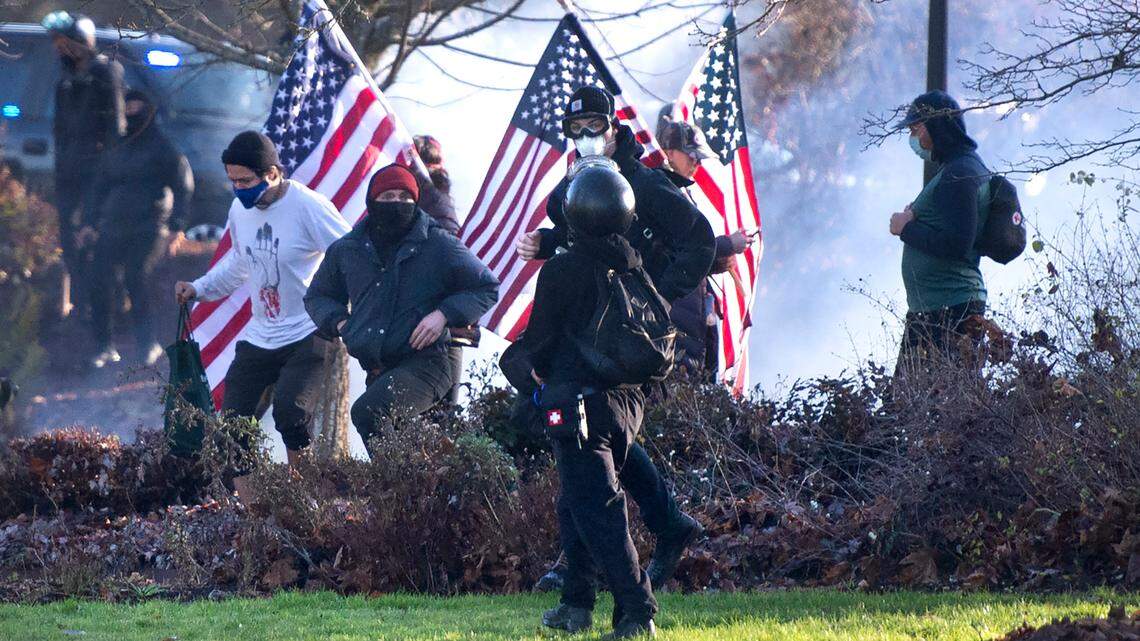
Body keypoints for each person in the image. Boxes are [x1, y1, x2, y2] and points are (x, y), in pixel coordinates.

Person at [518, 86, 710, 592]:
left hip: (633, 334)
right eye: (575, 130)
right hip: (588, 328)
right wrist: (548, 240)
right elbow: (584, 234)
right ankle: (665, 527)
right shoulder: (572, 185)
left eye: (594, 127)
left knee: (590, 437)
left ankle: (576, 573)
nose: (585, 138)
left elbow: (701, 240)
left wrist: (656, 299)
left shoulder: (643, 185)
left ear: (614, 127)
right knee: (602, 437)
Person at [174, 131, 350, 499]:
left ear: (271, 173)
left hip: (308, 330)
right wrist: (200, 288)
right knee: (234, 424)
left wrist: (339, 308)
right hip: (261, 333)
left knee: (291, 412)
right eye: (233, 181)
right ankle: (251, 509)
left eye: (246, 181)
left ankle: (305, 499)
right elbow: (240, 263)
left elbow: (349, 255)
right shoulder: (240, 210)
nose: (238, 189)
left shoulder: (307, 206)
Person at [522, 163, 658, 638]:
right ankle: (576, 603)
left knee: (599, 508)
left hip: (579, 405)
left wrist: (539, 368)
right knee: (575, 502)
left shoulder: (563, 270)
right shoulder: (633, 262)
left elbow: (538, 344)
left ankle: (638, 613)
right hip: (628, 404)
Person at [304, 164, 499, 453]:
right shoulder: (348, 249)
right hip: (377, 364)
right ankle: (404, 492)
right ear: (372, 202)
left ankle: (394, 488)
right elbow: (318, 296)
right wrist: (342, 324)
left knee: (369, 413)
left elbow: (486, 286)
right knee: (416, 446)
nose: (396, 203)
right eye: (387, 196)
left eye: (403, 197)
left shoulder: (438, 243)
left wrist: (443, 314)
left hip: (429, 363)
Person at [84, 89, 194, 367]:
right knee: (98, 279)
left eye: (137, 107)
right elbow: (99, 186)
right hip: (114, 224)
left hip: (149, 226)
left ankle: (148, 344)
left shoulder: (163, 147)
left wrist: (176, 227)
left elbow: (183, 186)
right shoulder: (117, 146)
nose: (131, 112)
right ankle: (103, 345)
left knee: (136, 278)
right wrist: (89, 222)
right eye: (127, 106)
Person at [891, 91, 990, 378]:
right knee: (924, 403)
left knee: (910, 404)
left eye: (916, 128)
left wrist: (905, 228)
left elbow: (957, 244)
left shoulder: (959, 173)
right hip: (939, 307)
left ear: (937, 127)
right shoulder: (959, 167)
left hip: (947, 310)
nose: (912, 137)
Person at [657, 118, 759, 374]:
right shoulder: (659, 193)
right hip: (672, 324)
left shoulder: (681, 192)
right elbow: (675, 251)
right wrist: (725, 245)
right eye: (691, 156)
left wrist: (715, 262)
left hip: (693, 323)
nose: (697, 163)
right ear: (669, 153)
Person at [43, 11, 125, 317]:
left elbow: (115, 128)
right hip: (69, 172)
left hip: (97, 172)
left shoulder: (106, 72)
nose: (59, 49)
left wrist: (108, 170)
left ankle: (111, 303)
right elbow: (60, 129)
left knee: (96, 236)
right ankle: (80, 303)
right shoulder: (64, 78)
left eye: (63, 42)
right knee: (70, 239)